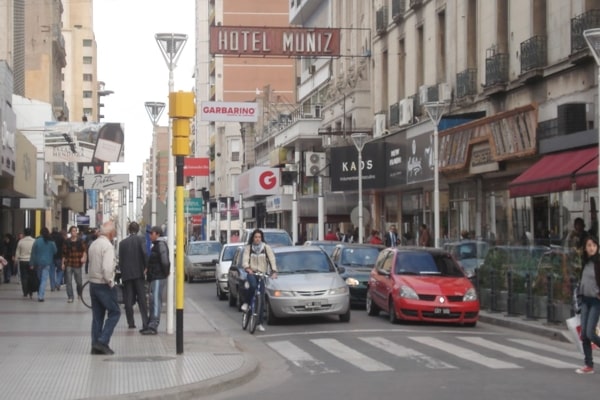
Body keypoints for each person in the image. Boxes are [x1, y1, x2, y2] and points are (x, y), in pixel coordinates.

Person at [88, 221, 121, 355]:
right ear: (110, 233)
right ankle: (102, 341)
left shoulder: (94, 244)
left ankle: (95, 344)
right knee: (115, 312)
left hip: (93, 283)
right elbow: (107, 268)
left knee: (97, 316)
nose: (114, 235)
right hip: (103, 284)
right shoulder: (107, 246)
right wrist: (111, 283)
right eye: (114, 232)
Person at [241, 228, 278, 332]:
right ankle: (247, 303)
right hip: (252, 273)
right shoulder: (248, 248)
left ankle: (259, 323)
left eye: (259, 237)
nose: (257, 239)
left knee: (261, 299)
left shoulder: (266, 248)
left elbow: (272, 260)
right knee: (252, 286)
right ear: (253, 238)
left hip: (262, 274)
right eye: (256, 237)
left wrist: (274, 271)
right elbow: (245, 260)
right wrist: (247, 268)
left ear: (262, 238)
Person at [574, 235, 600, 374]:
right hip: (585, 301)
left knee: (590, 333)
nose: (592, 248)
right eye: (589, 245)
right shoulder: (585, 262)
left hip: (596, 302)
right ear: (585, 248)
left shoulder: (598, 262)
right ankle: (588, 365)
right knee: (584, 334)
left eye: (594, 245)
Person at [118, 222, 149, 330]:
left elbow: (120, 260)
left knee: (128, 299)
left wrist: (123, 271)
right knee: (142, 299)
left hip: (127, 275)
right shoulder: (141, 240)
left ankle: (131, 323)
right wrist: (146, 266)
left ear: (128, 230)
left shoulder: (122, 243)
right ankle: (145, 322)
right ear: (138, 229)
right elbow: (144, 253)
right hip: (138, 274)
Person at [141, 226, 170, 335]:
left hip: (158, 277)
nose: (150, 235)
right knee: (153, 300)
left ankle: (154, 325)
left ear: (157, 234)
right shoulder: (157, 246)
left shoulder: (161, 245)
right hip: (154, 276)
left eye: (151, 233)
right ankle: (151, 323)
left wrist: (165, 272)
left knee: (156, 301)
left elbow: (165, 261)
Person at [29, 227, 57, 302]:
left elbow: (33, 253)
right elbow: (55, 251)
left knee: (39, 279)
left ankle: (39, 293)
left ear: (40, 233)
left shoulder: (37, 241)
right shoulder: (51, 241)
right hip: (47, 262)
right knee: (44, 280)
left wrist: (31, 263)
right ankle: (41, 296)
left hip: (38, 263)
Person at [62, 226, 87, 303]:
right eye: (73, 231)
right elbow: (64, 253)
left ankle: (79, 293)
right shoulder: (67, 241)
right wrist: (62, 263)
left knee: (79, 282)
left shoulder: (81, 241)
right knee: (68, 281)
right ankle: (70, 296)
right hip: (69, 263)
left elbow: (85, 250)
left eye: (75, 231)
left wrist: (84, 257)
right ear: (70, 232)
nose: (74, 232)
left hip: (77, 264)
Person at [15, 228, 35, 298]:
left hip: (22, 261)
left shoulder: (21, 241)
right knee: (31, 276)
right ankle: (30, 291)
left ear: (24, 233)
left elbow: (17, 252)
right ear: (31, 233)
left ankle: (25, 292)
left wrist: (16, 260)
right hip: (31, 261)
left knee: (24, 277)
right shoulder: (34, 241)